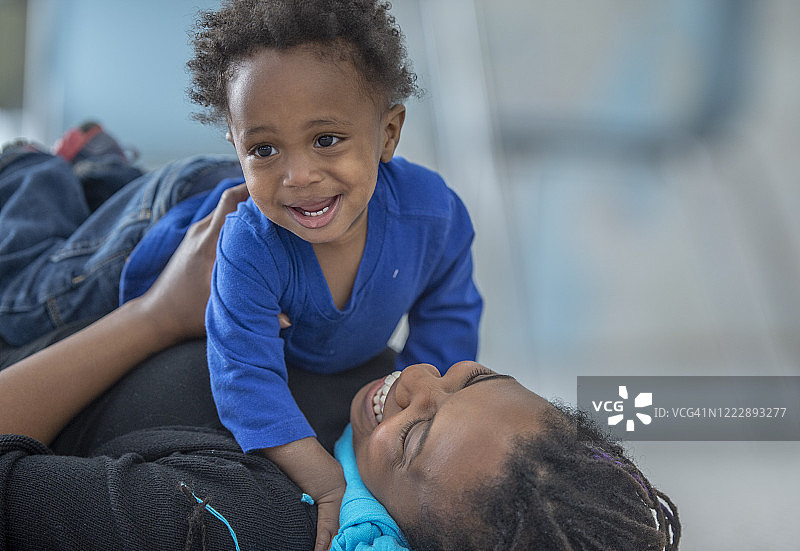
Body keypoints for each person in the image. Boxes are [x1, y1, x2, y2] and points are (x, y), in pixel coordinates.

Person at [0, 140, 680, 551]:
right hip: (138, 230)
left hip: (36, 323)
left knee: (33, 193)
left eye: (416, 435)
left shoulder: (231, 525)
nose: (417, 380)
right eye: (472, 379)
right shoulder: (380, 422)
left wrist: (155, 316)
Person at [187, 1, 483, 547]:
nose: (298, 176)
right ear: (236, 146)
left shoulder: (434, 217)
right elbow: (242, 376)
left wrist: (410, 406)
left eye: (326, 139)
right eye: (263, 149)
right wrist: (326, 479)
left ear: (388, 133)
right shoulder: (251, 245)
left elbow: (449, 318)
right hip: (176, 226)